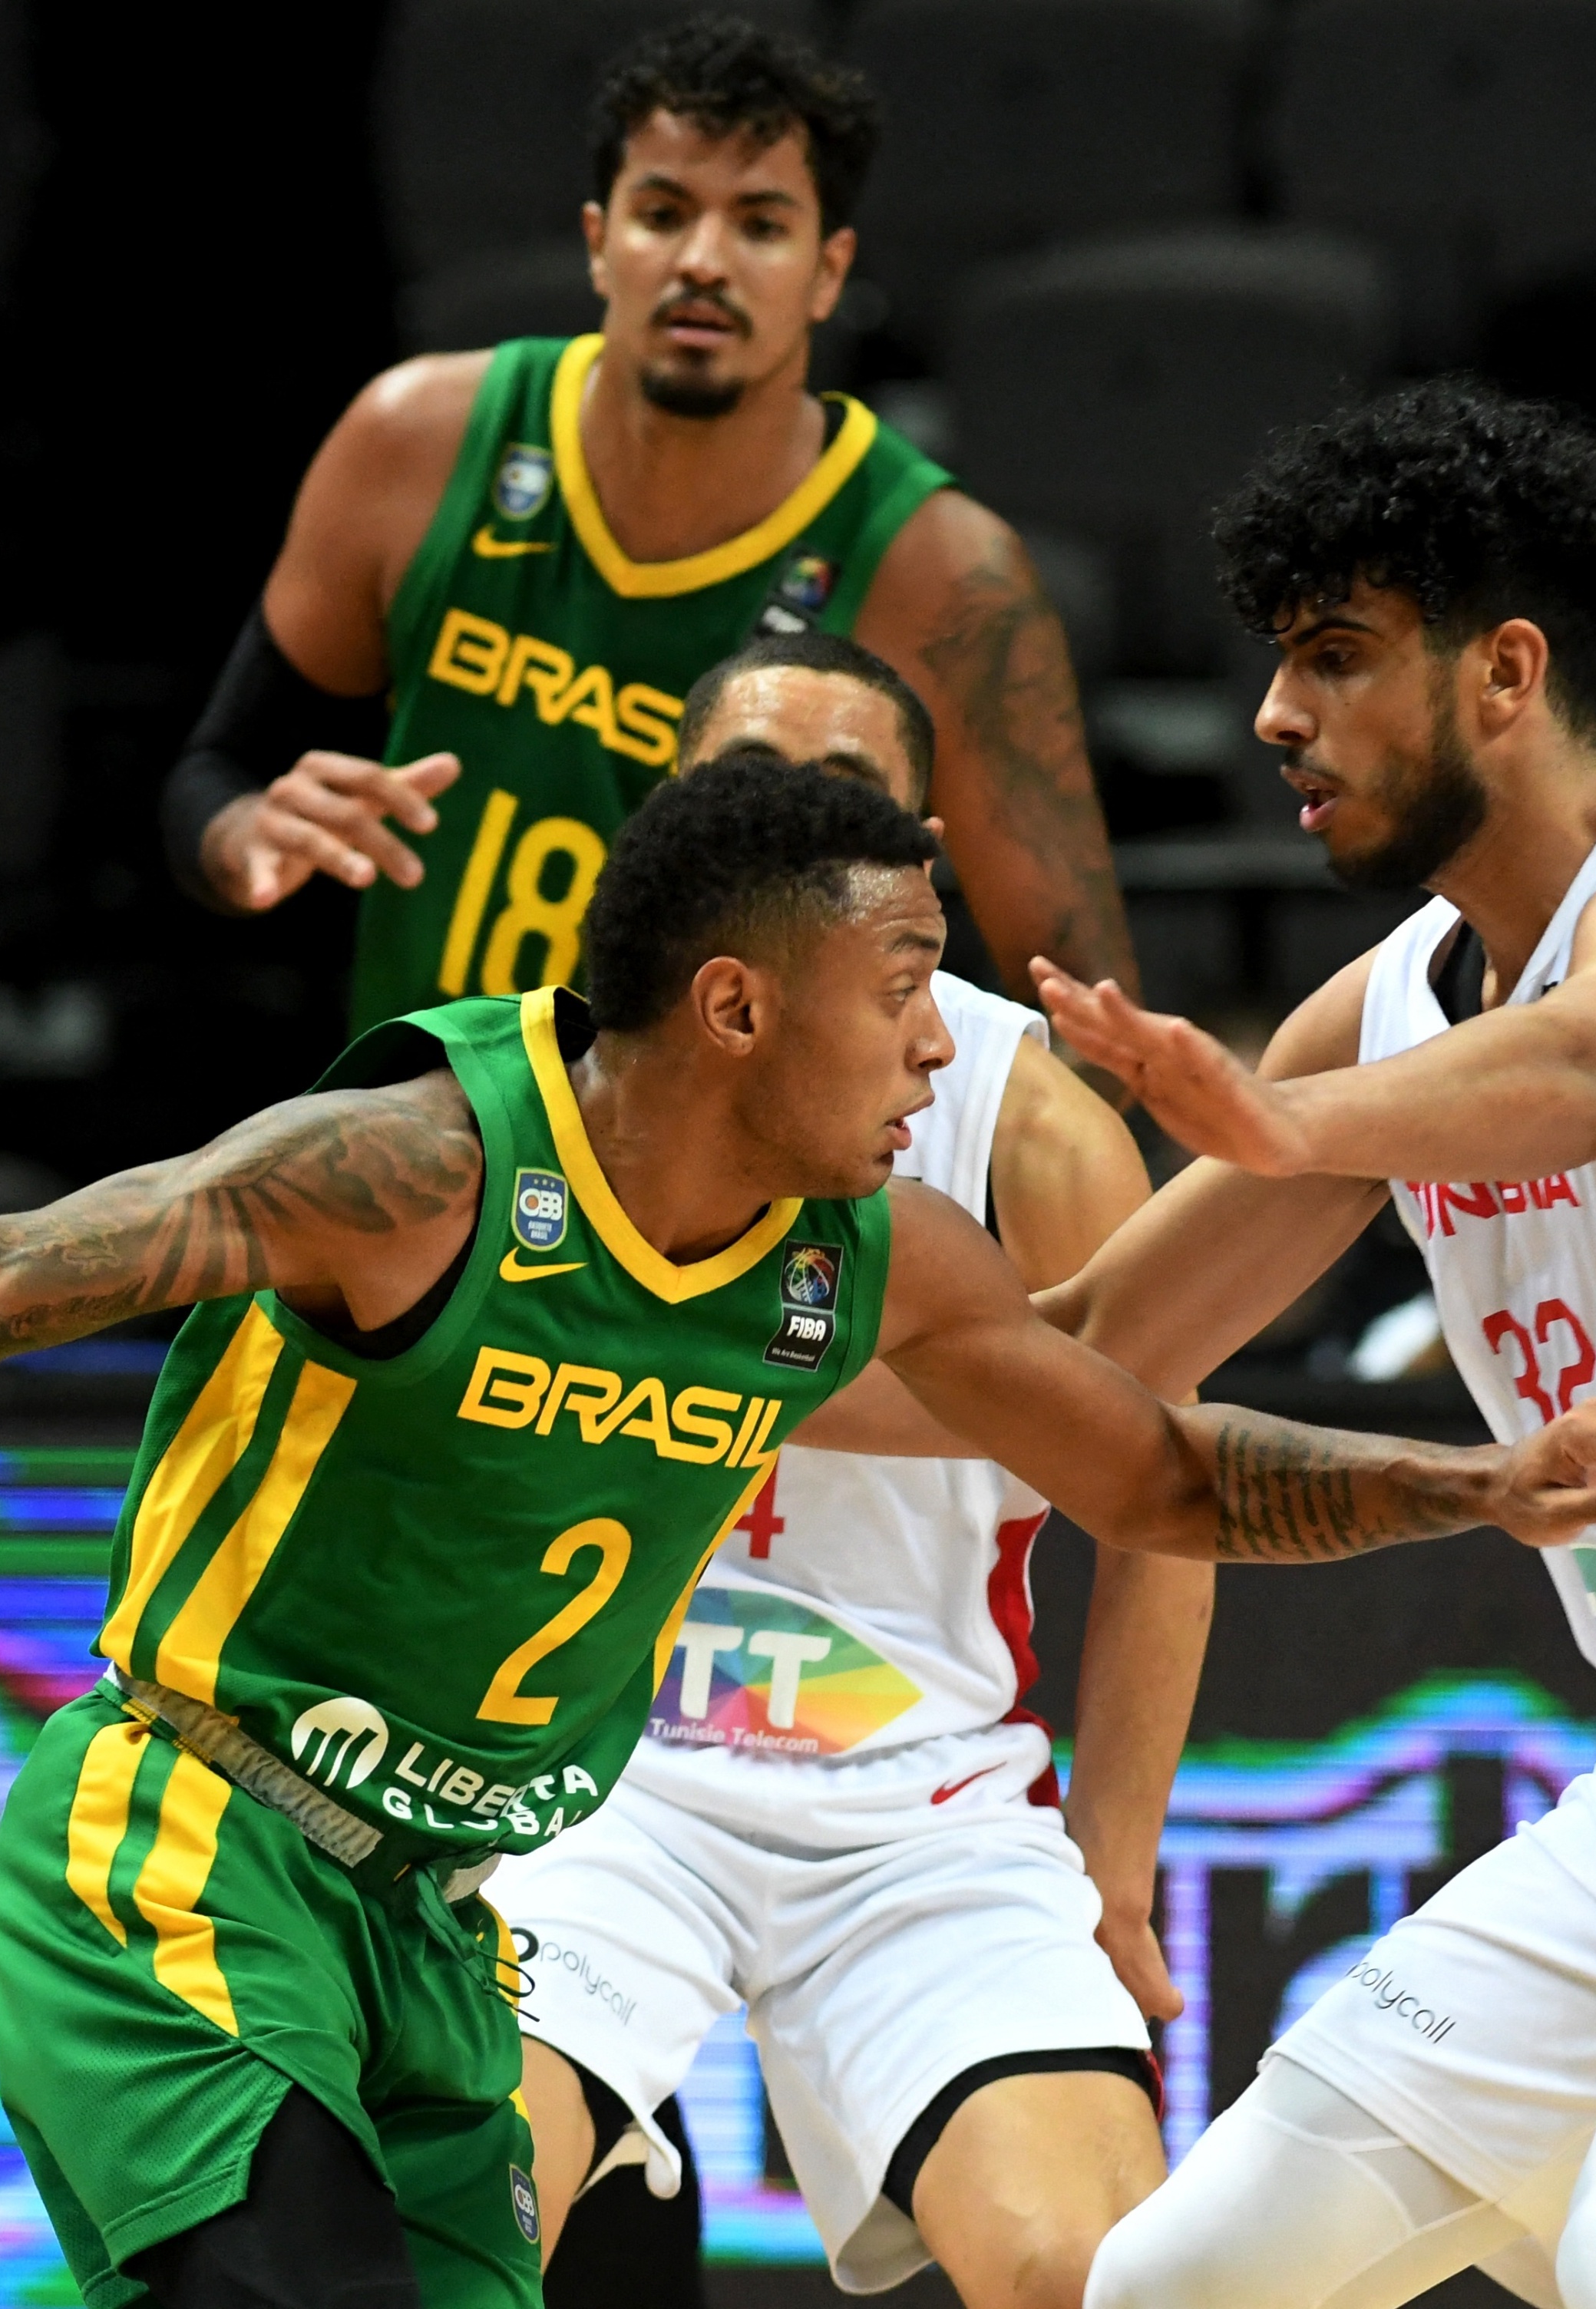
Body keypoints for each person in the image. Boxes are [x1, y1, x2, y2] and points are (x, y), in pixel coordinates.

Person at [0, 759, 1595, 2309]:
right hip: (197, 1837)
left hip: (434, 1915)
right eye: (907, 991)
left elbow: (1150, 1475)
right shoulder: (417, 1171)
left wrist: (1468, 1485)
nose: (945, 1042)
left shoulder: (863, 1258)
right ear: (736, 1006)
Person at [504, 629, 1211, 2309]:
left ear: (921, 861)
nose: (793, 848)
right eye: (749, 797)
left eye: (846, 812)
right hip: (584, 1770)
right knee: (440, 2226)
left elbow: (1162, 1498)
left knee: (1096, 2276)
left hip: (917, 1798)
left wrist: (1118, 1860)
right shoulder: (547, 1079)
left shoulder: (1031, 1130)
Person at [1019, 381, 1596, 2309]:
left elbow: (1581, 1066)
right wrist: (696, 1356)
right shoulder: (1394, 1009)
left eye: (1337, 658)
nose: (1277, 717)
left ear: (1505, 671)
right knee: (1176, 2280)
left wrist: (1287, 1123)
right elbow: (1095, 1351)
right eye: (1278, 663)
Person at [158, 14, 1136, 1038]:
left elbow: (1088, 1013)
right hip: (431, 1152)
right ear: (598, 242)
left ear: (829, 273)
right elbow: (212, 779)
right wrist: (246, 837)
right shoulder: (415, 443)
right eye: (663, 213)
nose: (702, 261)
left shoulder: (941, 570)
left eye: (760, 225)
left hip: (739, 1189)